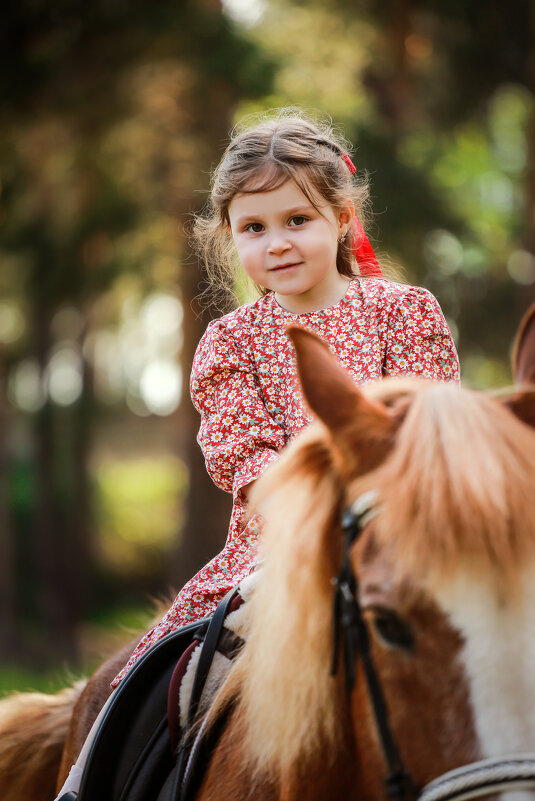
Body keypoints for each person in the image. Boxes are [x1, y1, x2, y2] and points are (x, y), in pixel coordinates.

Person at [55, 109, 459, 798]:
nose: (276, 242)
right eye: (253, 228)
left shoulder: (404, 312)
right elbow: (243, 456)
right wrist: (313, 514)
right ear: (231, 238)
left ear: (339, 218)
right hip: (274, 551)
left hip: (399, 541)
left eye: (295, 220)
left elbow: (431, 430)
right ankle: (90, 779)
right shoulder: (230, 343)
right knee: (158, 678)